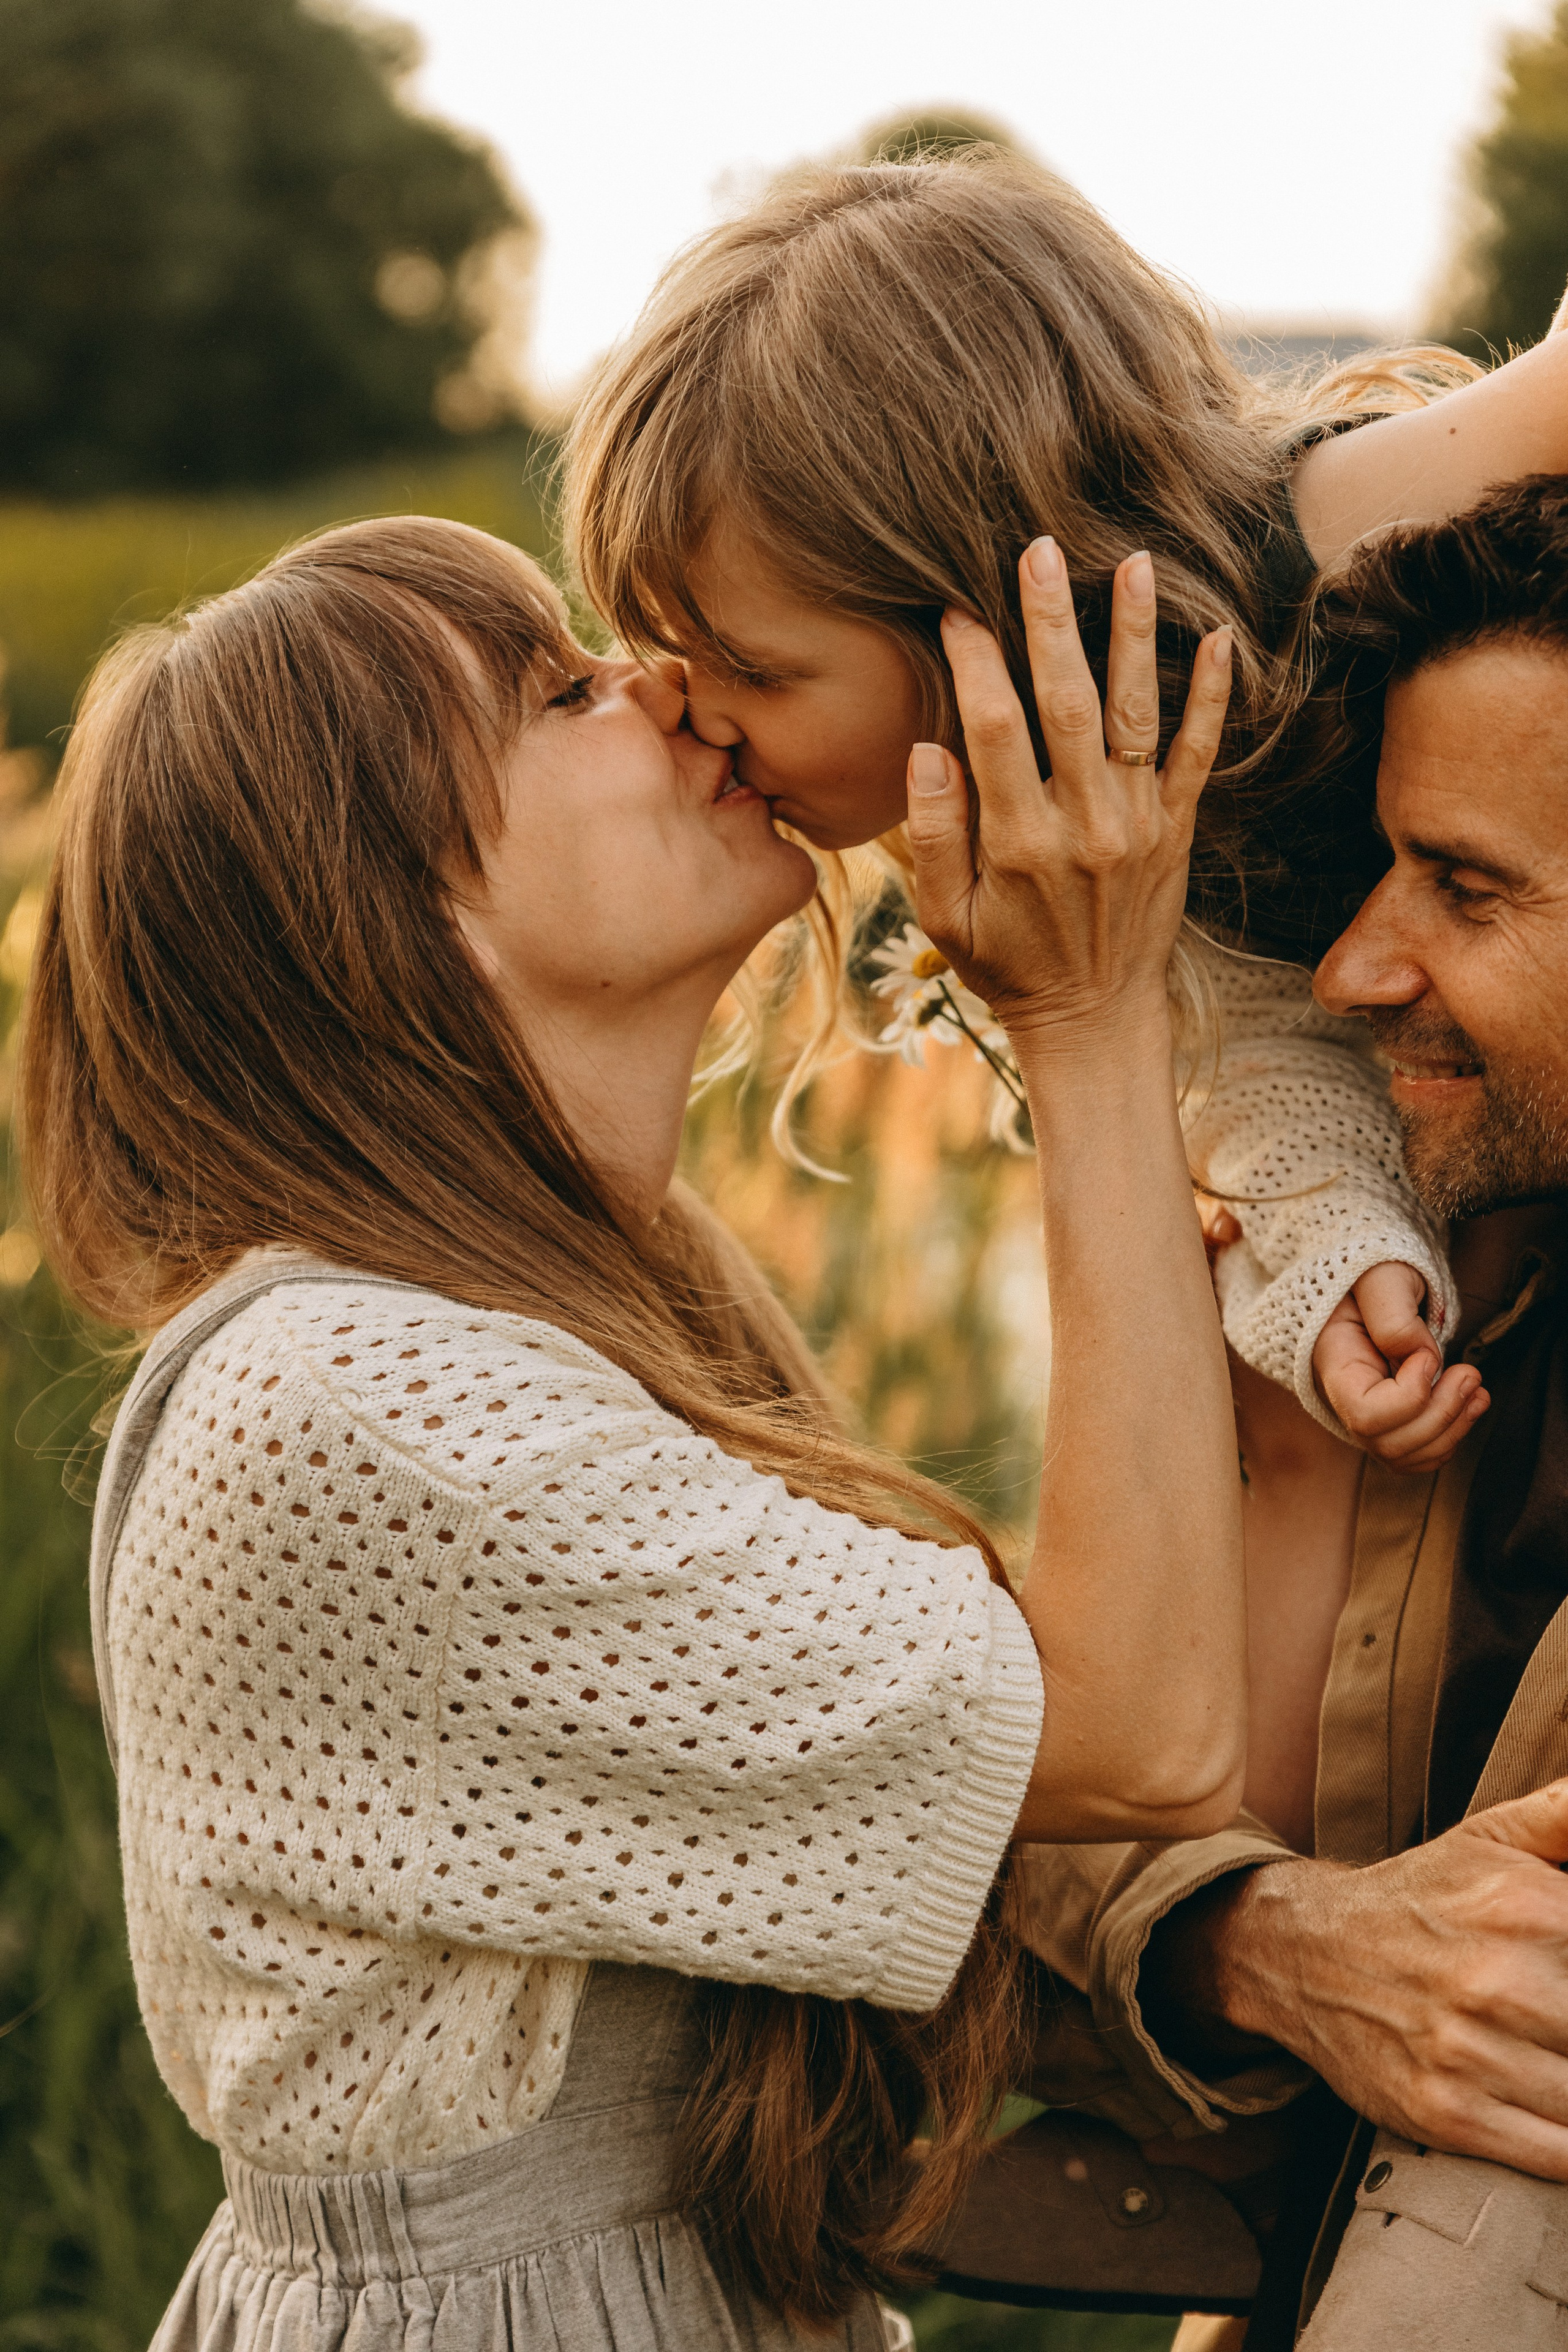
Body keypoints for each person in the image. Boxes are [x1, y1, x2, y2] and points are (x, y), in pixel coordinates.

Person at [19, 513, 1248, 2350]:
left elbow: (967, 1771)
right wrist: (1082, 1014)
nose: (669, 688)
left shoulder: (601, 1311)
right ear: (396, 903)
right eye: (561, 688)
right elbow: (1134, 1729)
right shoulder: (365, 1413)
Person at [564, 144, 1568, 1471]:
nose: (696, 713)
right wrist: (1339, 1252)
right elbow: (1249, 1048)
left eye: (751, 669)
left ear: (972, 597)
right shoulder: (1062, 813)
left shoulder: (1330, 541)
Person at [1012, 475, 1568, 2350]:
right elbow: (1027, 1854)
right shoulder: (1415, 1280)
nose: (1356, 967)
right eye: (1377, 874)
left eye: (1468, 889)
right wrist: (1274, 1946)